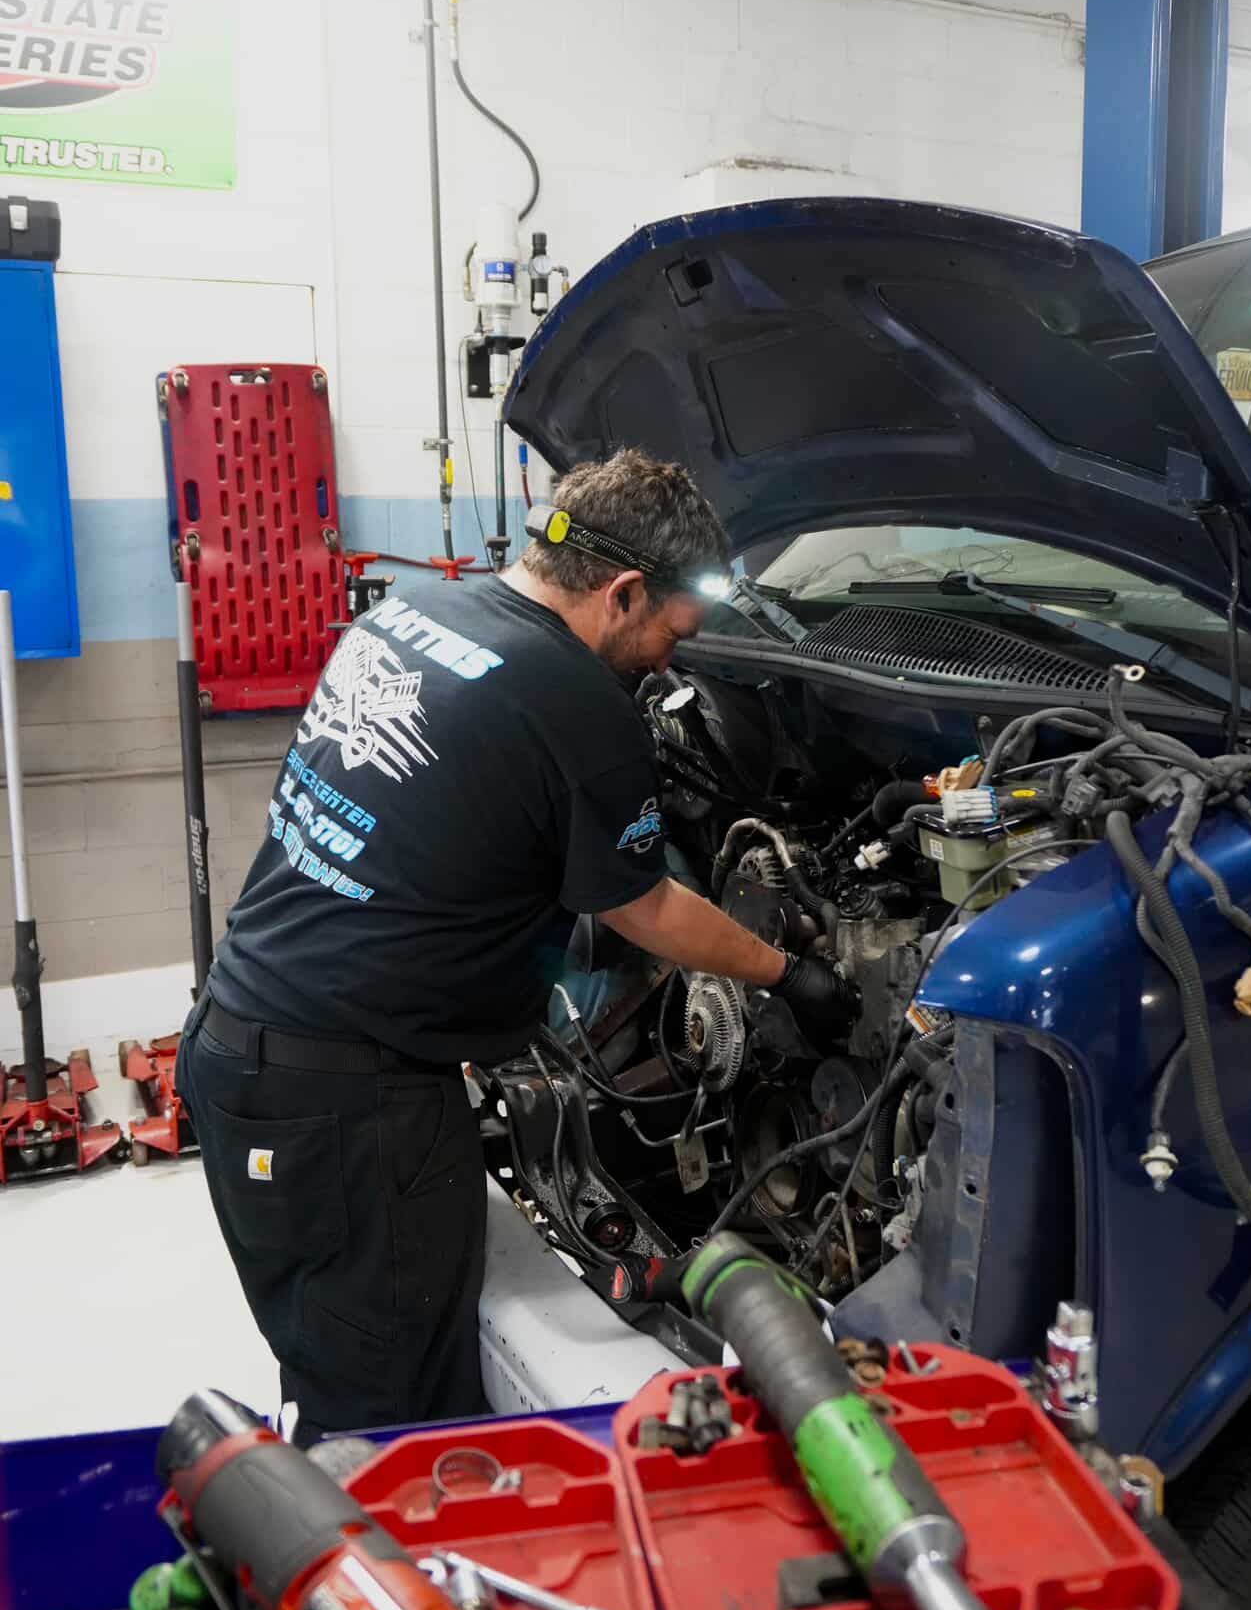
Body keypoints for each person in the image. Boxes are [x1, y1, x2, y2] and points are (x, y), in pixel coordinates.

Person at [178, 448, 851, 1444]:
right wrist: (792, 975)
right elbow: (649, 911)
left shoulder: (415, 610)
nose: (670, 662)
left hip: (243, 1044)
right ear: (624, 591)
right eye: (670, 631)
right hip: (348, 1113)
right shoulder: (572, 698)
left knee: (336, 1362)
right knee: (399, 1427)